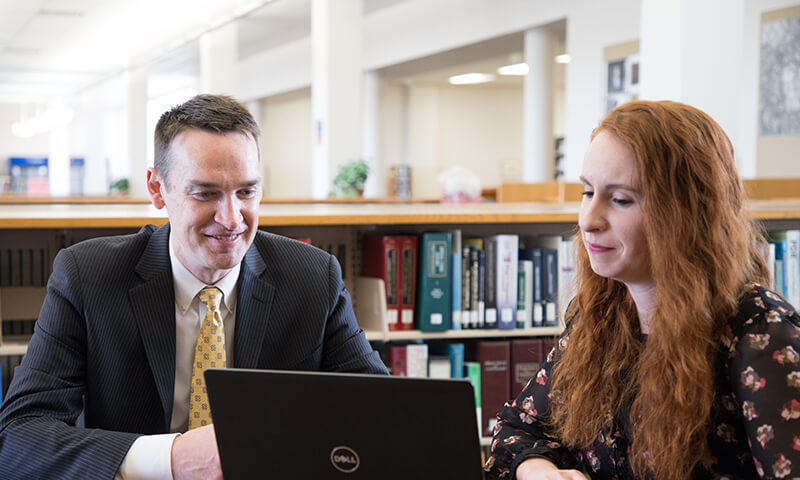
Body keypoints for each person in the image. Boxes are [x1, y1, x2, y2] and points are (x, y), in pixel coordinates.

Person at [0, 94, 389, 480]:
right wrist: (172, 458)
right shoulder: (88, 276)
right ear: (157, 189)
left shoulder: (313, 278)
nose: (232, 218)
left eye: (247, 191)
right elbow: (18, 439)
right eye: (206, 193)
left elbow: (383, 415)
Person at [485, 100, 800, 479]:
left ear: (685, 214)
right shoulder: (599, 313)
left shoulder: (760, 330)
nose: (588, 220)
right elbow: (516, 429)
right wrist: (541, 472)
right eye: (587, 193)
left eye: (620, 200)